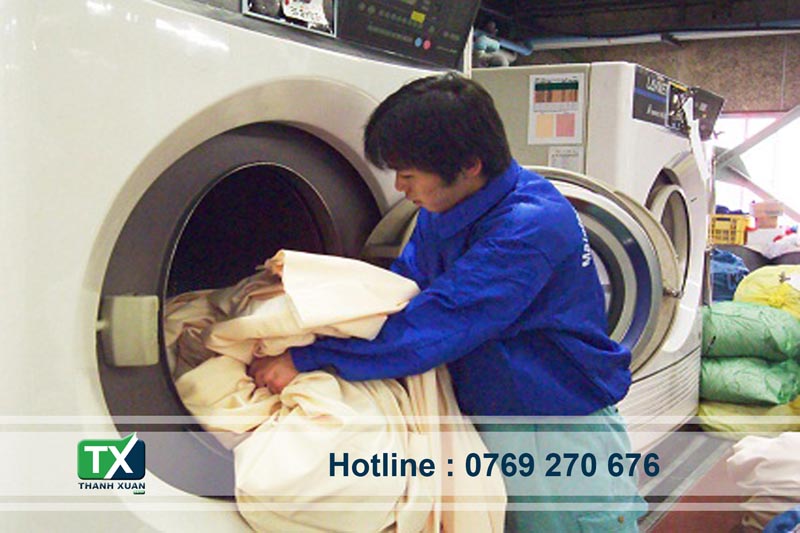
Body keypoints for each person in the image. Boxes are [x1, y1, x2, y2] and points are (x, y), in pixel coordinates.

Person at [248, 72, 646, 531]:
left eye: (409, 175)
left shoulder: (530, 225)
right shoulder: (446, 209)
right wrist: (317, 314)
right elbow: (404, 292)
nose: (401, 188)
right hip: (491, 412)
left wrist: (309, 358)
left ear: (470, 165)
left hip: (556, 427)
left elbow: (437, 325)